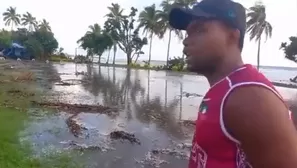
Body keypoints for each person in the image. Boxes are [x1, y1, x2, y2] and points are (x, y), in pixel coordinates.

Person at [169, 0, 297, 168]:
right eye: (188, 33)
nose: (186, 41)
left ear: (232, 36)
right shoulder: (225, 89)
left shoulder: (249, 97)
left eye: (200, 30)